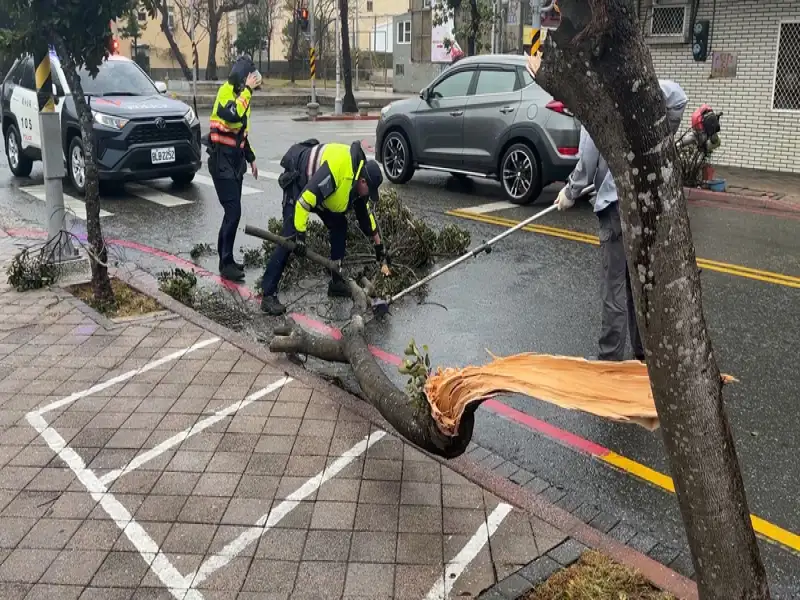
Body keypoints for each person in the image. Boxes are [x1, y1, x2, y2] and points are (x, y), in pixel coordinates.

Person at [554, 79, 688, 362]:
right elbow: (678, 98)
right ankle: (643, 357)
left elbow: (588, 160)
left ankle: (610, 362)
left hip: (615, 207)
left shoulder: (595, 97)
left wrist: (570, 191)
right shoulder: (634, 91)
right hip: (645, 204)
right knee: (639, 284)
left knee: (614, 287)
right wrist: (662, 139)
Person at [260, 140, 389, 316]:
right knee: (289, 238)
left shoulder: (358, 179)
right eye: (370, 190)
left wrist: (379, 247)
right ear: (363, 181)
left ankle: (336, 282)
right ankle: (268, 295)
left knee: (339, 224)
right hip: (299, 182)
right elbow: (303, 203)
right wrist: (301, 237)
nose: (368, 195)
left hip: (320, 194)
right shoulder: (337, 174)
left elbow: (366, 216)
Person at [206, 54, 261, 282]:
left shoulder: (243, 97)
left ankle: (226, 259)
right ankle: (225, 262)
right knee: (233, 212)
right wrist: (247, 91)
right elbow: (232, 115)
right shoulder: (226, 93)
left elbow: (240, 133)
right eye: (250, 81)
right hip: (221, 162)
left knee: (231, 213)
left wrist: (251, 158)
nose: (253, 87)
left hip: (235, 162)